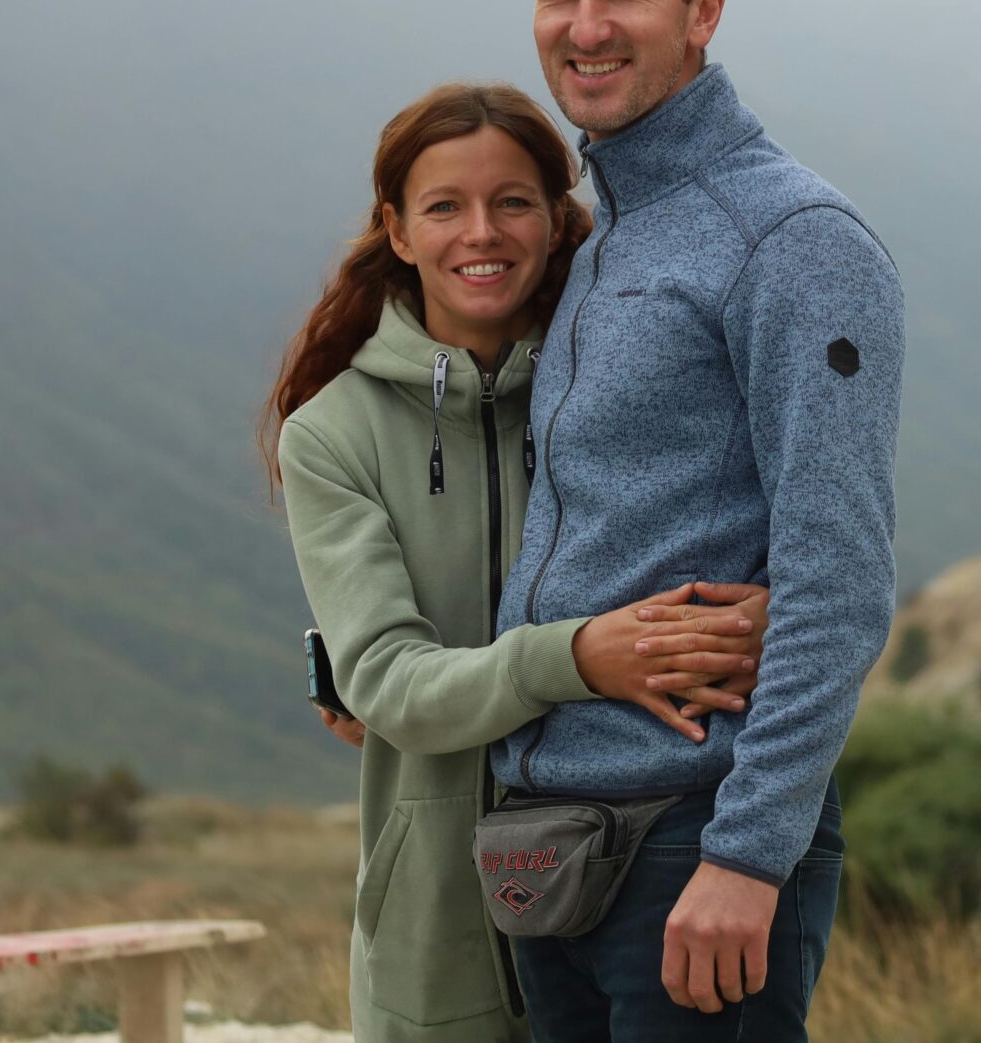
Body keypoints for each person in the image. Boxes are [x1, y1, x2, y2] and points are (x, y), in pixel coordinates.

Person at [269, 83, 778, 1043]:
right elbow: (386, 680)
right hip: (438, 938)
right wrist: (579, 657)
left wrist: (765, 607)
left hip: (630, 888)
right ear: (399, 229)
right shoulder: (332, 434)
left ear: (556, 217)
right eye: (443, 206)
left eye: (511, 201)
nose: (480, 232)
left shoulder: (612, 384)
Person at [497, 0, 906, 1038]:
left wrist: (749, 855)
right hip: (550, 839)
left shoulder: (793, 239)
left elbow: (838, 574)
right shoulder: (602, 240)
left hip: (694, 841)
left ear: (702, 9)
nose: (585, 24)